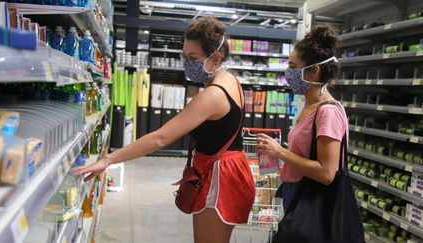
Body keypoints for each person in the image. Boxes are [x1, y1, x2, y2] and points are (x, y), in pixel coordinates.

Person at [74, 16, 255, 243]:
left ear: (216, 58)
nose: (187, 64)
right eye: (184, 56)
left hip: (219, 178)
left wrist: (108, 160)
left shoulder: (213, 95)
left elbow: (160, 138)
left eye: (193, 58)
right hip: (230, 168)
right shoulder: (230, 79)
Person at [256, 24, 348, 213]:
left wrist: (280, 152)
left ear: (313, 71)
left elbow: (326, 173)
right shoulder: (309, 105)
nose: (288, 73)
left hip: (311, 201)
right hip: (296, 192)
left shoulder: (327, 112)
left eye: (292, 67)